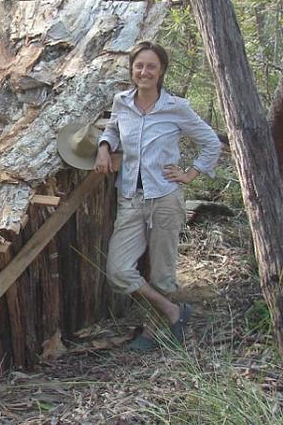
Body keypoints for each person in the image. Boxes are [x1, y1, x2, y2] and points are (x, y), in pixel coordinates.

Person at [94, 41, 221, 349]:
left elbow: (211, 143)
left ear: (161, 70)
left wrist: (190, 174)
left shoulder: (175, 107)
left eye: (151, 66)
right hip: (130, 198)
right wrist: (103, 147)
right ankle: (172, 311)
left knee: (163, 272)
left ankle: (155, 331)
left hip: (165, 198)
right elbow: (112, 130)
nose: (144, 72)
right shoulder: (122, 102)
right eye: (139, 66)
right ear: (132, 69)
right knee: (119, 270)